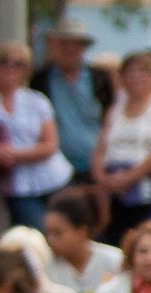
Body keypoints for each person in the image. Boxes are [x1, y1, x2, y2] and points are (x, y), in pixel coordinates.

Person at [0, 42, 71, 233]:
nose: (10, 68)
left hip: (52, 177)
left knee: (64, 231)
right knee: (37, 233)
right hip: (17, 185)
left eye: (18, 64)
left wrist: (16, 154)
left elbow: (50, 145)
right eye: (5, 62)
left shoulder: (37, 100)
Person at [91, 51, 151, 239]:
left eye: (142, 72)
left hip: (149, 186)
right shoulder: (115, 109)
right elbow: (101, 147)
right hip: (114, 188)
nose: (135, 78)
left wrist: (132, 176)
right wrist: (101, 178)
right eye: (129, 73)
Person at [34, 17, 111, 190]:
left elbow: (110, 118)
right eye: (63, 44)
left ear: (83, 48)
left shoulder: (99, 78)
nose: (68, 49)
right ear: (53, 46)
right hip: (55, 168)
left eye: (74, 44)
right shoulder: (41, 80)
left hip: (95, 166)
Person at [40, 187, 122, 293]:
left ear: (81, 231)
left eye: (57, 233)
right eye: (48, 233)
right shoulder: (46, 265)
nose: (50, 240)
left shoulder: (114, 260)